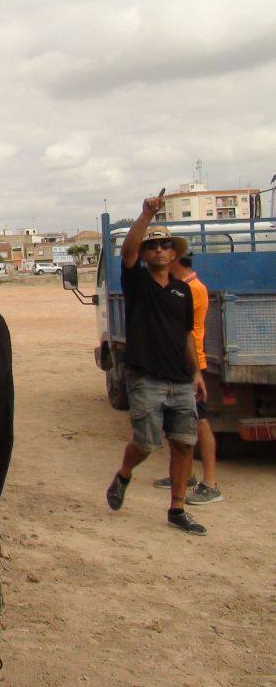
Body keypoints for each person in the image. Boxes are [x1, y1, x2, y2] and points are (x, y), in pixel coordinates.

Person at [105, 190, 208, 535]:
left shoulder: (183, 291)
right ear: (146, 254)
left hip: (180, 379)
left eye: (165, 246)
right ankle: (124, 474)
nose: (159, 250)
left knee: (184, 443)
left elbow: (186, 336)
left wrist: (196, 373)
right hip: (146, 377)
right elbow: (128, 252)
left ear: (174, 253)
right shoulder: (137, 283)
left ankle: (177, 508)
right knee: (147, 443)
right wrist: (147, 214)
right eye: (152, 246)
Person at [154, 254, 223, 504]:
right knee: (183, 423)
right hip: (181, 364)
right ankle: (187, 474)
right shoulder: (185, 286)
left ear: (176, 262)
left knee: (200, 423)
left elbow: (183, 330)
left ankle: (210, 484)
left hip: (190, 364)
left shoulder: (192, 289)